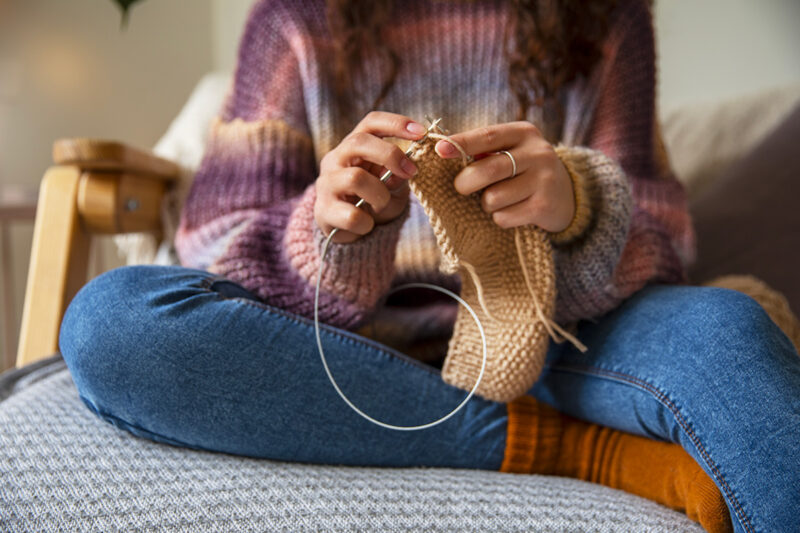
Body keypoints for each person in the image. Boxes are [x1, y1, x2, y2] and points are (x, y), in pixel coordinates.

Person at [59, 1, 800, 532]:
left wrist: (576, 203)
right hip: (341, 360)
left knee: (729, 331)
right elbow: (212, 241)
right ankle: (568, 448)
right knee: (110, 323)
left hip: (561, 338)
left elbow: (662, 236)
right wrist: (328, 229)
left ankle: (534, 419)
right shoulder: (291, 21)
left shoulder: (605, 18)